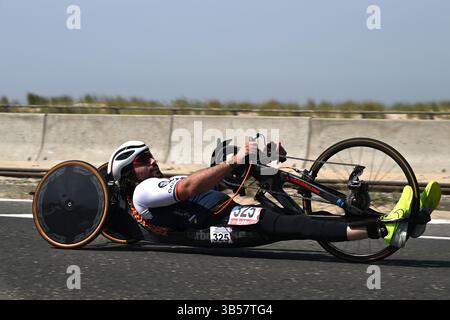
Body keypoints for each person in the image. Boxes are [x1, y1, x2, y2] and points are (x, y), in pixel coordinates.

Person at [107, 140, 441, 248]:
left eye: (150, 155)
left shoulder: (155, 184)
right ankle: (386, 228)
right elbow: (192, 187)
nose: (152, 161)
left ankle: (400, 223)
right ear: (127, 174)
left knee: (310, 219)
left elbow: (204, 179)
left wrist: (258, 155)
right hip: (223, 224)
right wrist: (236, 160)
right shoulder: (144, 192)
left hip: (225, 210)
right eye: (142, 160)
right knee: (298, 226)